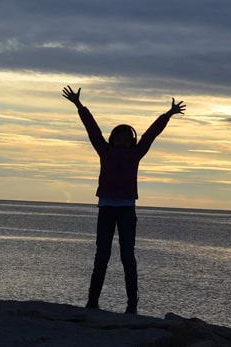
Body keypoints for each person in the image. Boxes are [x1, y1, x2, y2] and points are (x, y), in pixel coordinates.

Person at [62, 85, 186, 314]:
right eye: (119, 138)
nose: (122, 141)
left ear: (131, 141)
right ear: (113, 140)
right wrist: (79, 106)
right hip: (107, 209)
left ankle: (132, 306)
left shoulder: (136, 153)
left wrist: (167, 115)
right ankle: (92, 302)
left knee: (128, 256)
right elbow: (92, 129)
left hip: (127, 210)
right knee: (102, 255)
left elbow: (151, 134)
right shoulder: (104, 151)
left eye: (126, 138)